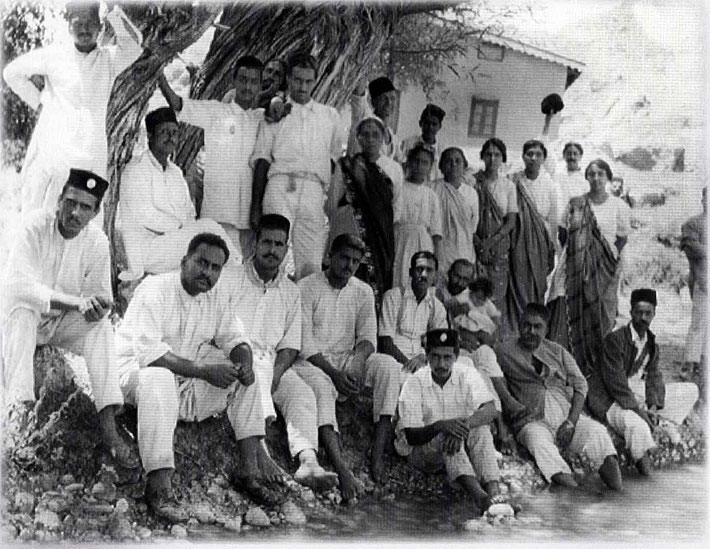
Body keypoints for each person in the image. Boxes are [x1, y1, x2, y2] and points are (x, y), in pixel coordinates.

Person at [116, 233, 283, 521]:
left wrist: (243, 364)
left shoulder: (214, 296)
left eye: (215, 268)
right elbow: (150, 356)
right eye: (201, 263)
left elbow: (236, 339)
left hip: (184, 383)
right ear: (185, 261)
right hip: (136, 378)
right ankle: (159, 488)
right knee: (159, 378)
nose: (207, 272)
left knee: (248, 374)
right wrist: (204, 371)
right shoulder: (155, 288)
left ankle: (248, 471)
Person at [0, 169, 136, 470]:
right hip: (18, 320)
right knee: (23, 312)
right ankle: (20, 414)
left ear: (95, 211)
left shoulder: (97, 243)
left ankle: (109, 427)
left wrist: (98, 306)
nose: (75, 212)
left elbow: (101, 296)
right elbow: (17, 287)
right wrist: (77, 302)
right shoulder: (34, 226)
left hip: (60, 324)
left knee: (100, 327)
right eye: (70, 202)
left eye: (85, 207)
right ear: (59, 199)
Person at [290, 234, 404, 496]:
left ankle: (377, 451)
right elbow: (303, 343)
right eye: (344, 258)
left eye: (355, 261)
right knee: (321, 385)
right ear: (330, 256)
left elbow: (367, 338)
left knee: (387, 366)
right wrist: (334, 373)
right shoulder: (305, 288)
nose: (349, 266)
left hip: (346, 359)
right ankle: (341, 468)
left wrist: (356, 360)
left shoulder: (362, 291)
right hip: (312, 363)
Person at [3, 1, 142, 212]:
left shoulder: (108, 59)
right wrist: (39, 101)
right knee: (41, 215)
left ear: (101, 26)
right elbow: (11, 73)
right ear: (69, 26)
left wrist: (114, 12)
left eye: (90, 23)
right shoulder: (53, 55)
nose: (85, 28)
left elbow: (134, 46)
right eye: (78, 22)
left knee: (83, 220)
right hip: (54, 150)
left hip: (90, 153)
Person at [495, 304, 623, 491]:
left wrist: (571, 422)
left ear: (546, 329)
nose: (531, 331)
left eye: (537, 327)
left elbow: (581, 384)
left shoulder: (556, 351)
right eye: (526, 325)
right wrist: (504, 426)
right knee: (539, 444)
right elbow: (491, 381)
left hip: (565, 415)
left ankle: (617, 497)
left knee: (598, 433)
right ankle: (579, 496)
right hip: (531, 421)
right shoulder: (503, 351)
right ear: (519, 324)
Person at [158, 56, 265, 261]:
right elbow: (178, 104)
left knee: (244, 275)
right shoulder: (216, 112)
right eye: (243, 79)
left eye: (253, 81)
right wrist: (159, 76)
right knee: (216, 268)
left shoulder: (262, 119)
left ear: (260, 85)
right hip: (219, 212)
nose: (247, 86)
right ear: (234, 81)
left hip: (250, 218)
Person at [250, 52, 344, 281]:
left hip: (313, 190)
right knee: (273, 252)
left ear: (315, 80)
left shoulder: (329, 116)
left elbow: (333, 158)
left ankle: (302, 314)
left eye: (308, 81)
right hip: (280, 186)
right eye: (297, 80)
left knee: (311, 263)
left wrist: (328, 200)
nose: (302, 86)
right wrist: (255, 205)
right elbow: (262, 159)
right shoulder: (276, 113)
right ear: (289, 79)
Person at [586, 289, 699, 476]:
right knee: (637, 426)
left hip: (636, 394)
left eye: (648, 313)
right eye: (639, 312)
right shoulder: (615, 340)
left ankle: (657, 417)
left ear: (654, 314)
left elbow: (654, 376)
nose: (643, 318)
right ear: (631, 313)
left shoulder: (651, 342)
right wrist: (640, 413)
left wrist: (653, 406)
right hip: (610, 398)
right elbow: (617, 385)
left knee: (691, 390)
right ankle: (648, 480)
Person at [397, 329, 508, 516]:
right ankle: (481, 499)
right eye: (435, 357)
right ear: (426, 355)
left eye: (447, 357)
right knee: (444, 434)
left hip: (454, 442)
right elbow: (411, 436)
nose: (441, 364)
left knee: (480, 429)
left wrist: (461, 427)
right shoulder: (413, 382)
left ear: (456, 356)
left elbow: (490, 409)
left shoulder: (467, 373)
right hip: (421, 453)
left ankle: (494, 494)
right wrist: (441, 426)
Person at [118, 107, 237, 276]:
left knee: (209, 235)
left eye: (174, 132)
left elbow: (189, 211)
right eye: (164, 132)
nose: (170, 137)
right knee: (207, 230)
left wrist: (186, 228)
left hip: (175, 241)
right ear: (150, 136)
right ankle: (239, 271)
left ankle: (237, 270)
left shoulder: (175, 171)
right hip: (147, 249)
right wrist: (181, 227)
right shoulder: (136, 170)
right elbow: (144, 215)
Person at [547, 159, 631, 376]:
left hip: (604, 270)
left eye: (600, 174)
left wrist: (604, 259)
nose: (596, 178)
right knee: (565, 306)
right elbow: (564, 233)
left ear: (608, 178)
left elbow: (621, 239)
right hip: (573, 267)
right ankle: (561, 368)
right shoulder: (576, 203)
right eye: (591, 174)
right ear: (586, 177)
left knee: (600, 315)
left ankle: (592, 372)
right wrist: (580, 256)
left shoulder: (618, 206)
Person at [326, 117, 403, 311]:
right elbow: (333, 202)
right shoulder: (347, 165)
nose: (370, 139)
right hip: (350, 229)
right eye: (365, 134)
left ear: (383, 138)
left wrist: (380, 227)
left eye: (375, 134)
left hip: (381, 238)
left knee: (373, 285)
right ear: (358, 138)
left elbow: (397, 207)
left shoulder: (393, 169)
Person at [504, 140, 557, 336]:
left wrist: (552, 249)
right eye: (529, 154)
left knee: (537, 286)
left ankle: (533, 332)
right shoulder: (513, 180)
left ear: (543, 158)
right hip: (517, 239)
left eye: (538, 154)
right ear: (523, 156)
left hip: (540, 242)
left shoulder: (550, 185)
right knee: (516, 284)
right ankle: (513, 332)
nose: (533, 158)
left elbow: (552, 220)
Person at [471, 138, 517, 316]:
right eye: (488, 154)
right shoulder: (473, 182)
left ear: (502, 158)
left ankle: (491, 340)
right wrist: (479, 243)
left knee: (496, 299)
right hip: (475, 245)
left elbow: (511, 220)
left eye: (497, 155)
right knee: (474, 295)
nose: (492, 158)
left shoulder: (508, 186)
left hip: (498, 248)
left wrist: (491, 242)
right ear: (482, 156)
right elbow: (467, 216)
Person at [393, 144, 443, 288]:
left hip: (423, 243)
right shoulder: (398, 189)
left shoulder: (431, 195)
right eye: (416, 161)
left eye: (425, 163)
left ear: (430, 167)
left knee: (421, 281)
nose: (420, 166)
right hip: (401, 241)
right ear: (408, 162)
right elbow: (393, 221)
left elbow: (436, 233)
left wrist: (437, 262)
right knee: (401, 279)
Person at [427, 147, 479, 274]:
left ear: (464, 166)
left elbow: (473, 225)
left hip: (463, 248)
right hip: (438, 248)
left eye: (457, 161)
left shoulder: (471, 193)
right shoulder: (431, 188)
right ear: (441, 167)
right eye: (448, 161)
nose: (453, 164)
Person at [680, 187, 707, 380]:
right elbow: (692, 248)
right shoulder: (692, 224)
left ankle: (704, 362)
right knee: (698, 321)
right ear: (703, 199)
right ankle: (690, 364)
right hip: (702, 279)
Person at [348, 76, 399, 159]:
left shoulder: (392, 136)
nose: (389, 102)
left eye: (392, 98)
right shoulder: (364, 118)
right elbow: (358, 93)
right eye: (384, 98)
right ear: (373, 102)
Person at [399, 104, 446, 179]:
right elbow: (399, 165)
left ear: (439, 126)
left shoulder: (442, 149)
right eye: (427, 123)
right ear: (420, 123)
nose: (430, 127)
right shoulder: (408, 143)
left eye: (434, 124)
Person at [456, 277, 501, 345]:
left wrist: (495, 318)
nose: (479, 301)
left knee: (488, 338)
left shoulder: (486, 303)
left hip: (480, 327)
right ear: (472, 291)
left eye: (483, 299)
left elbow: (494, 314)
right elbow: (456, 301)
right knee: (471, 340)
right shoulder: (465, 297)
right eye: (478, 297)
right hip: (465, 327)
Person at [435, 258, 476, 329]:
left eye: (465, 279)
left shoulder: (469, 298)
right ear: (449, 273)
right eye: (457, 276)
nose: (460, 283)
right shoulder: (436, 288)